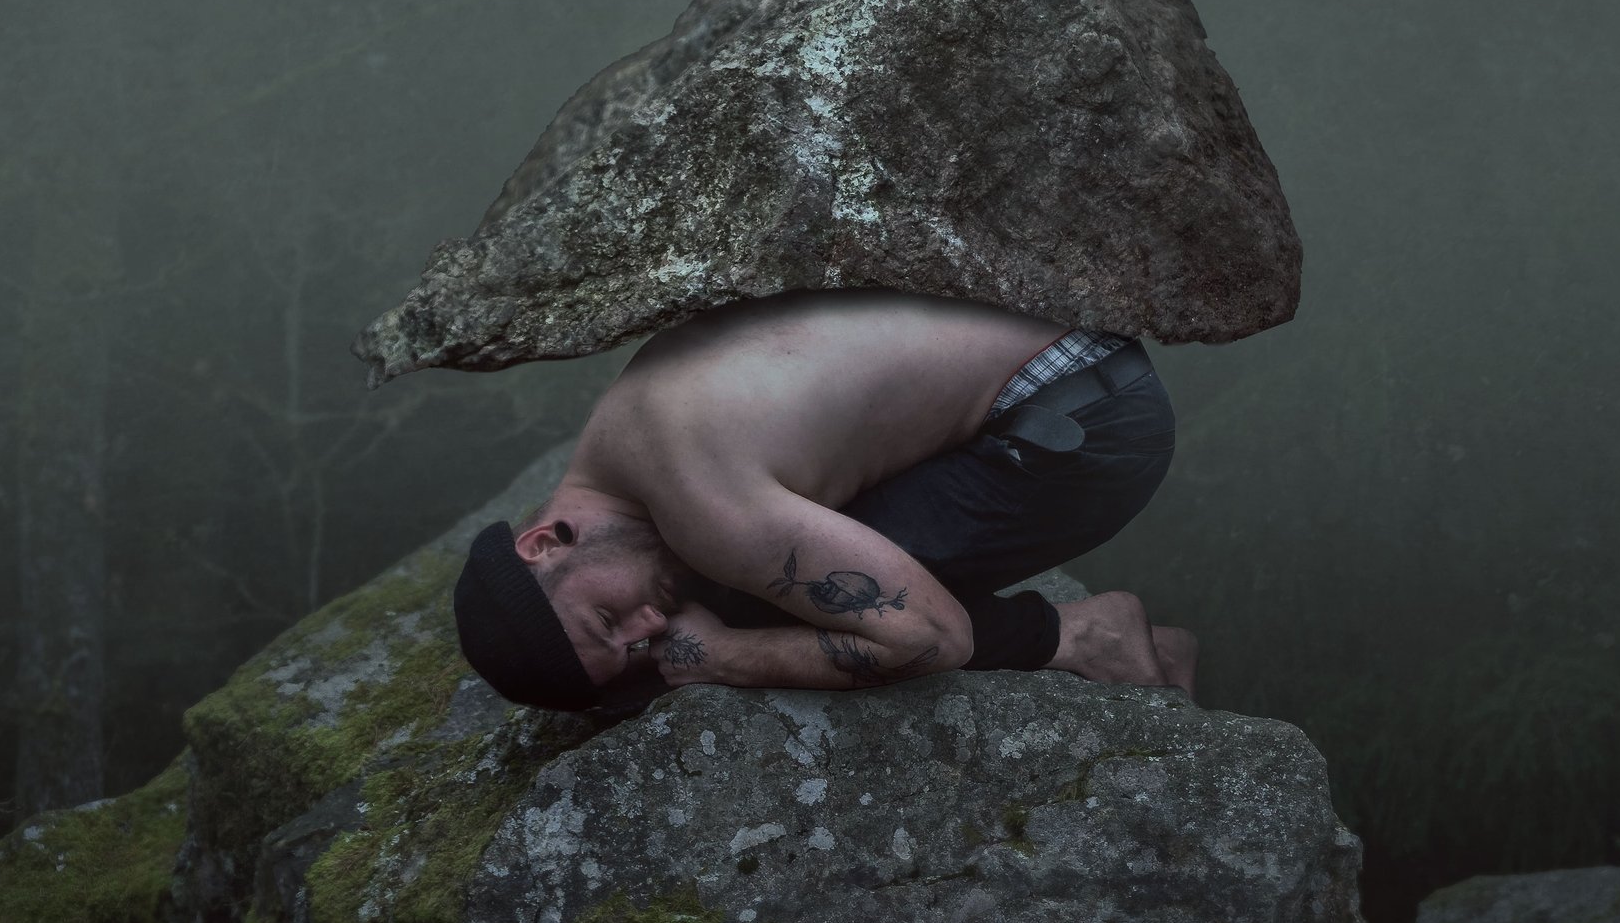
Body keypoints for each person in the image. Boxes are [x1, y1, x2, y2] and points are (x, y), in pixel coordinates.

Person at [450, 290, 1197, 711]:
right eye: (632, 649)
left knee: (773, 608)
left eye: (608, 617)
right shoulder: (622, 433)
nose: (651, 626)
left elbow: (931, 640)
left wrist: (724, 656)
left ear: (544, 542)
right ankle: (1155, 648)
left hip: (1081, 425)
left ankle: (1086, 636)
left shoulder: (702, 502)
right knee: (758, 583)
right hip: (1061, 359)